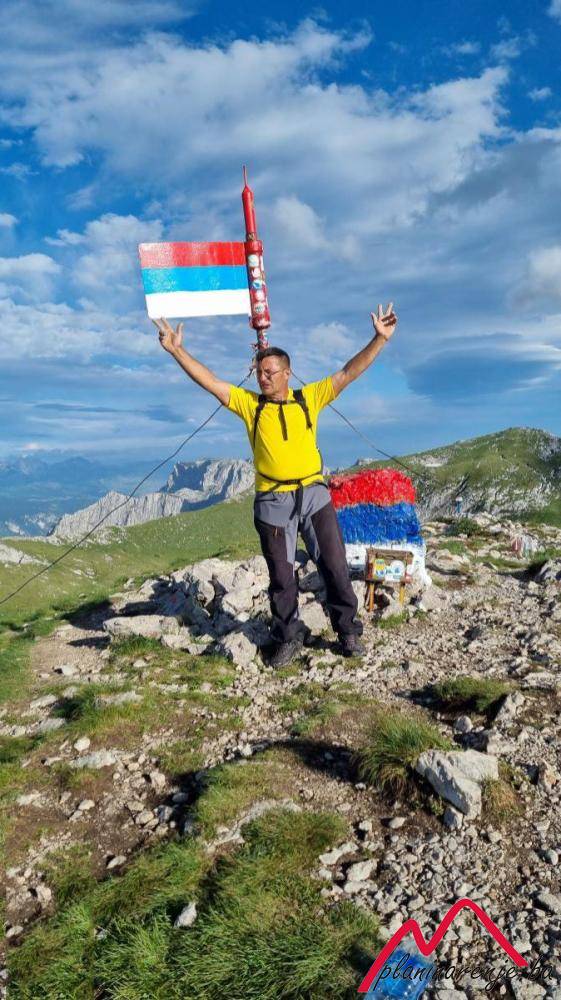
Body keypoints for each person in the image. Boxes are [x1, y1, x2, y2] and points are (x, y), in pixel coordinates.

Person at [154, 303, 398, 667]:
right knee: (282, 577)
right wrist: (177, 351)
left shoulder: (309, 398)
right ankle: (288, 636)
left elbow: (349, 372)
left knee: (334, 565)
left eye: (269, 372)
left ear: (287, 373)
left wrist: (379, 339)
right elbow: (212, 382)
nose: (262, 378)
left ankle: (348, 631)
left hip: (314, 495)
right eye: (259, 372)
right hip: (273, 501)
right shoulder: (250, 405)